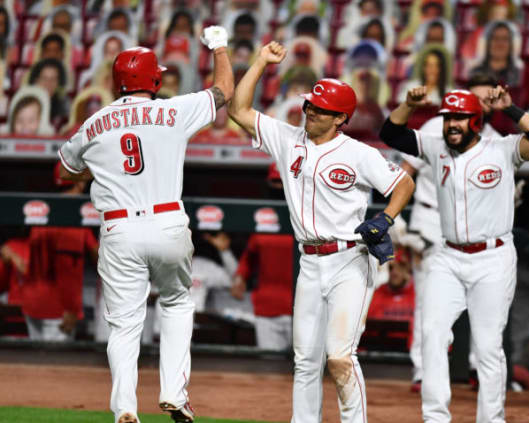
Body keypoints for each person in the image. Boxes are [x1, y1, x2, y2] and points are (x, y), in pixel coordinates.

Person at [227, 41, 415, 423]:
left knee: (340, 358)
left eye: (319, 109)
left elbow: (403, 184)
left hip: (350, 258)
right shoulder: (288, 138)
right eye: (309, 105)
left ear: (340, 118)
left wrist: (387, 218)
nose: (309, 111)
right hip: (310, 262)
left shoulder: (358, 153)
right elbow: (238, 109)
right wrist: (262, 61)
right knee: (305, 362)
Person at [56, 26, 233, 423]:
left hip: (119, 229)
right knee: (176, 303)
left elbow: (62, 171)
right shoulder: (174, 110)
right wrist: (219, 47)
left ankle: (125, 408)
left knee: (124, 325)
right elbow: (224, 91)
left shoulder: (95, 121)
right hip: (168, 222)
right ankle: (174, 392)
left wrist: (98, 173)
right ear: (155, 78)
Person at [379, 82, 529, 420]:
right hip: (448, 256)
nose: (451, 125)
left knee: (488, 347)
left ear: (475, 121)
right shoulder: (435, 147)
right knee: (432, 333)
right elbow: (391, 134)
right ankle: (435, 417)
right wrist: (408, 105)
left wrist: (510, 109)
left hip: (493, 257)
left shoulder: (502, 148)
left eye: (459, 118)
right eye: (448, 118)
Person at [22, 163, 98, 342]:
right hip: (57, 310)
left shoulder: (44, 211)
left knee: (32, 365)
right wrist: (71, 308)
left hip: (32, 303)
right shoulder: (71, 217)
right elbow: (68, 269)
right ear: (79, 184)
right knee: (53, 365)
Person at [231, 164, 296, 351]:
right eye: (275, 182)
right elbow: (248, 257)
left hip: (302, 308)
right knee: (269, 368)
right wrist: (240, 277)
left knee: (305, 369)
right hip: (267, 307)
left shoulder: (307, 216)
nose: (278, 187)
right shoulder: (263, 219)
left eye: (282, 183)